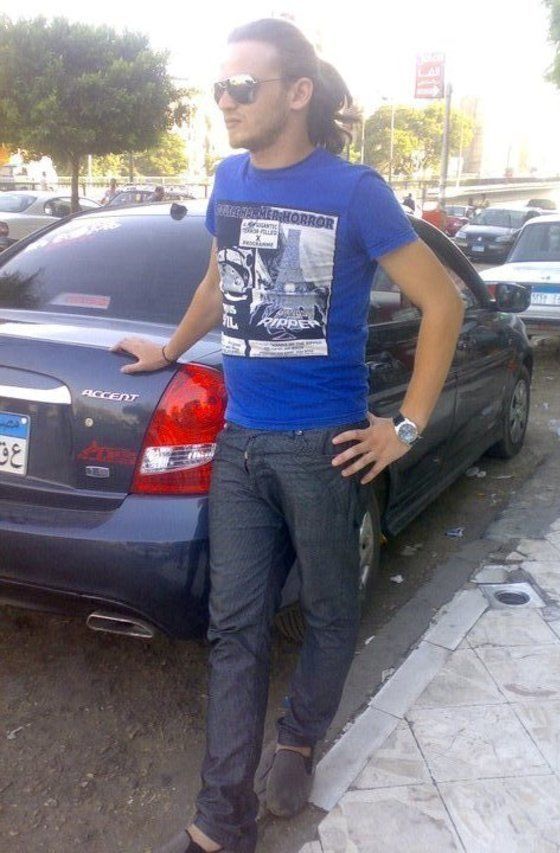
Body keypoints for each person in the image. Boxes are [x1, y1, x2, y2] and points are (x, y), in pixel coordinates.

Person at [112, 18, 463, 853]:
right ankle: (220, 821)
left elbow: (443, 301)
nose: (225, 102)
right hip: (240, 443)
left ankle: (299, 738)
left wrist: (405, 426)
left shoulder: (355, 191)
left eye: (243, 87)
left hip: (325, 447)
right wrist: (168, 347)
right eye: (219, 87)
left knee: (331, 610)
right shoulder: (227, 178)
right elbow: (217, 281)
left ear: (298, 93)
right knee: (235, 630)